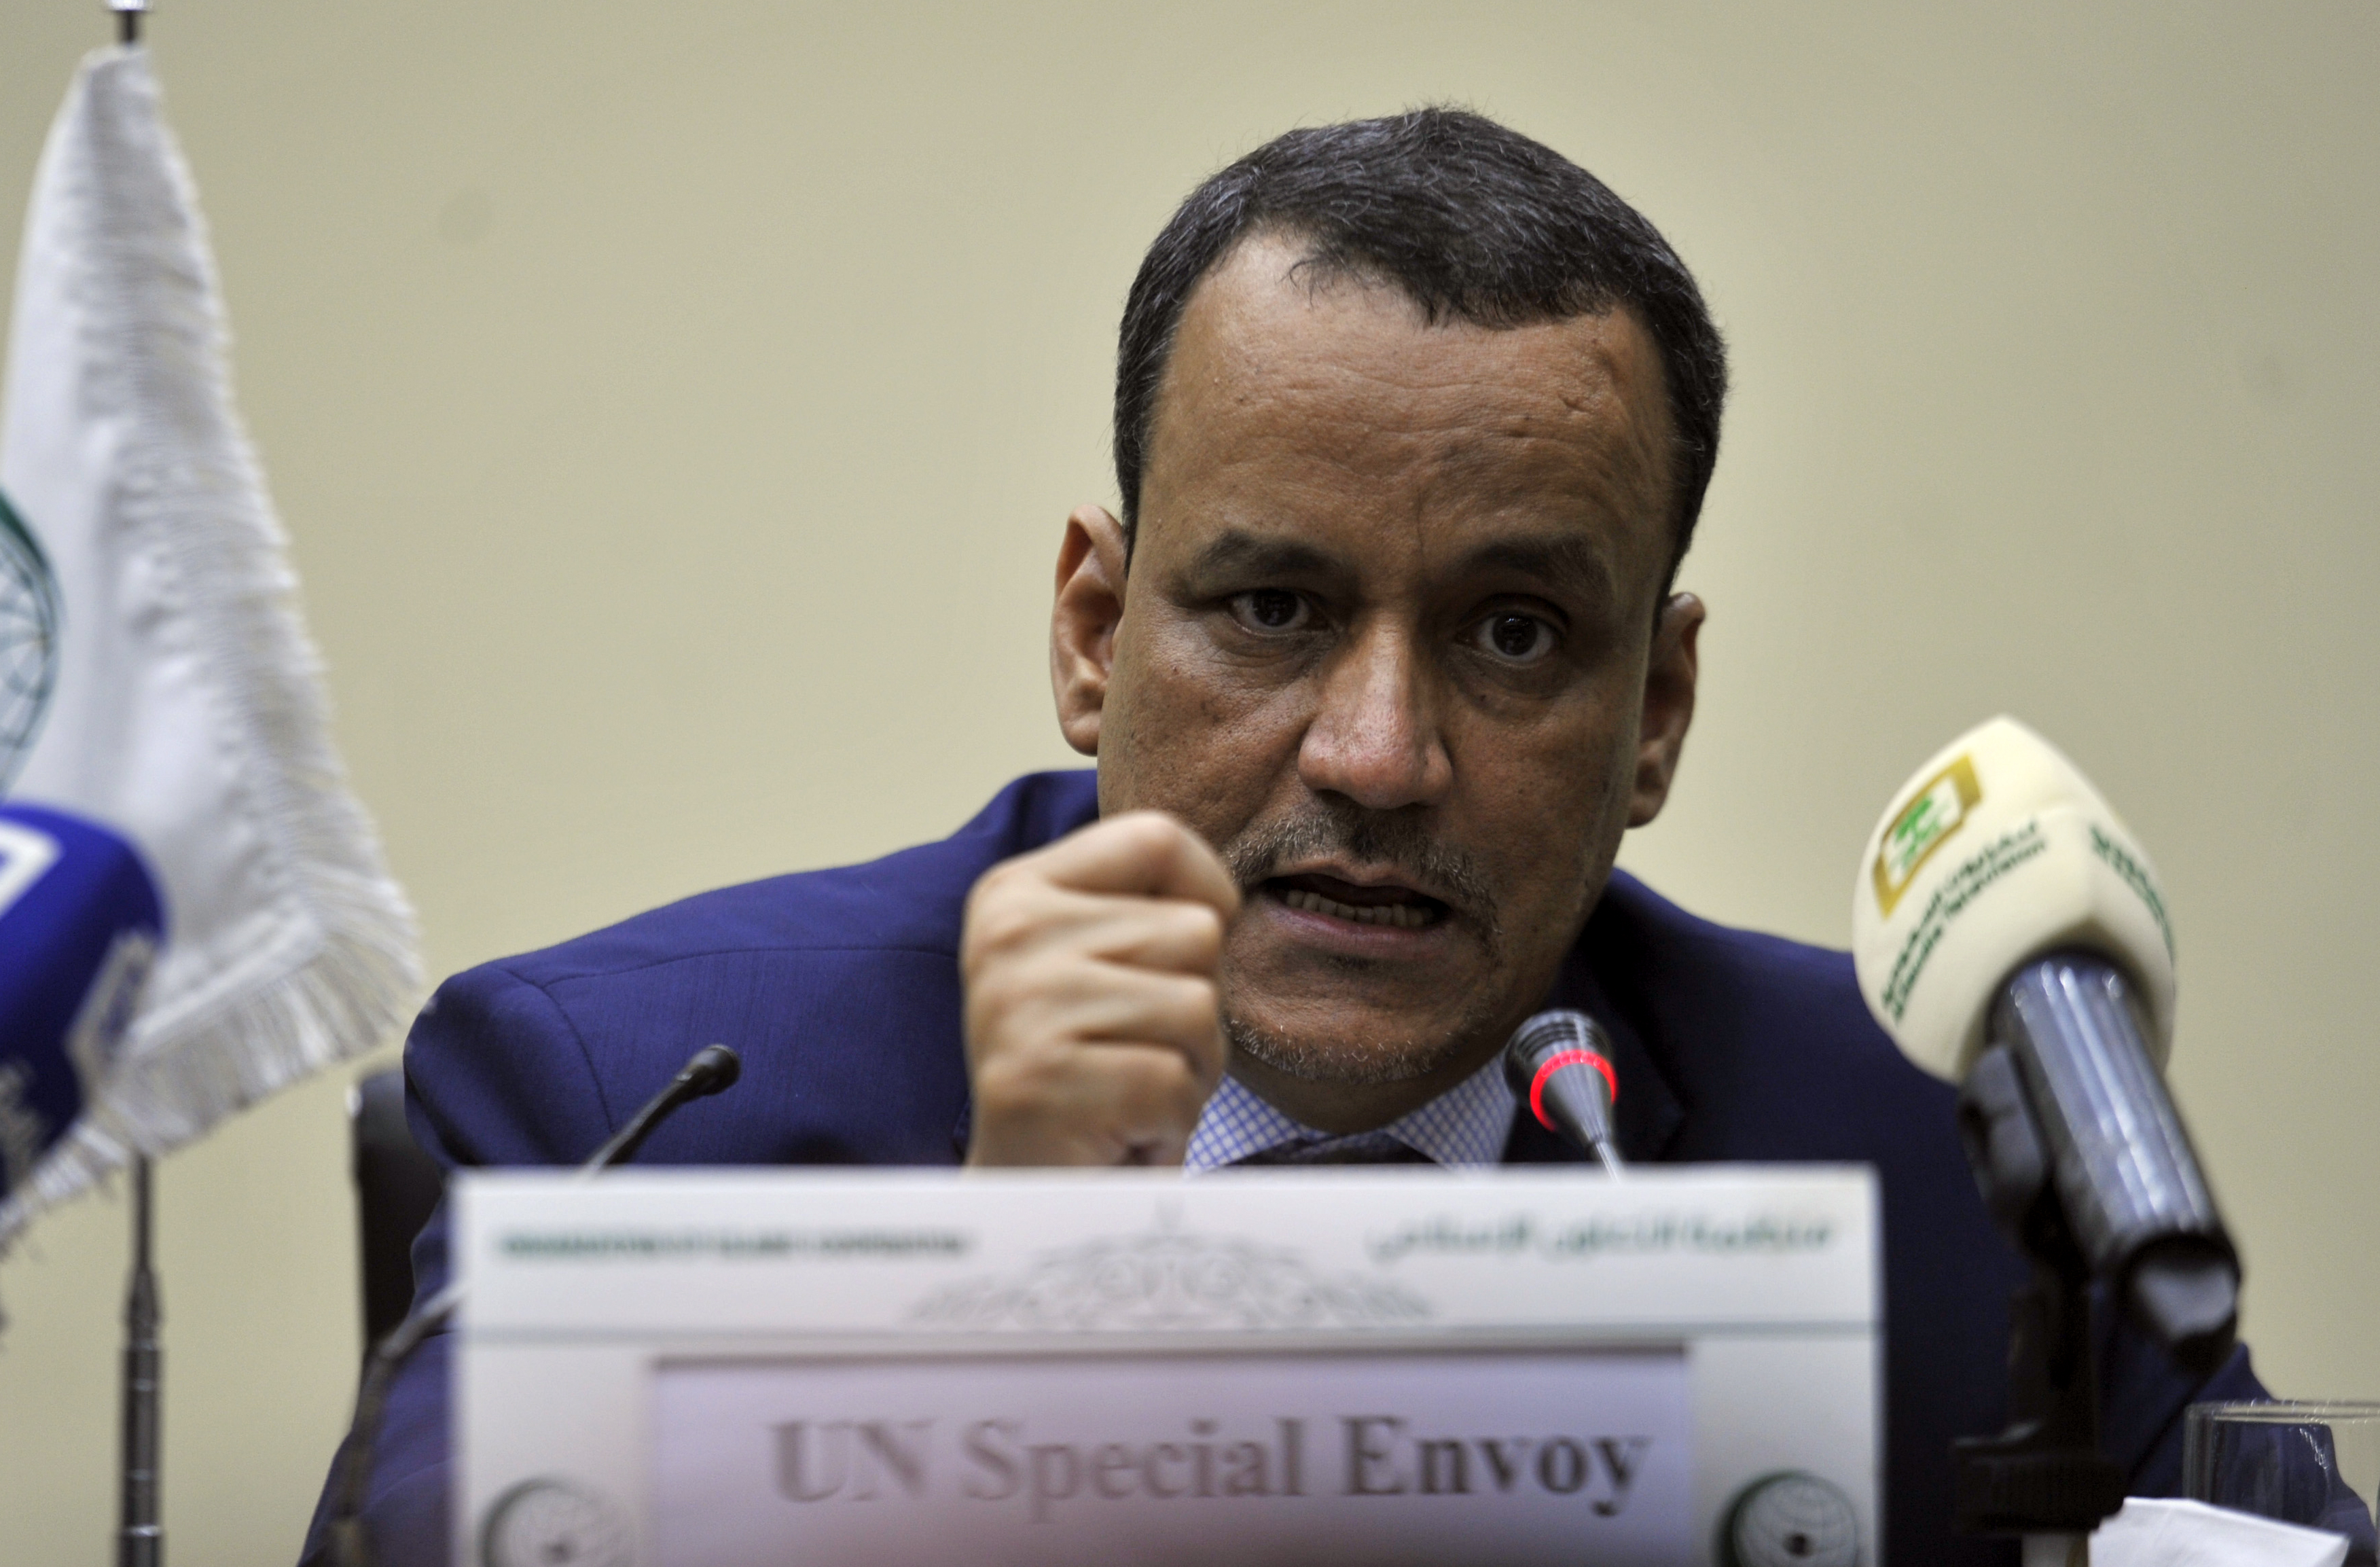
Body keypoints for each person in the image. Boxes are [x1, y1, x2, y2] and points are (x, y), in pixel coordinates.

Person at [300, 108, 2259, 1566]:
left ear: (1656, 710)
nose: (1379, 754)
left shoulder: (1934, 1159)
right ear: (1095, 635)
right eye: (1271, 607)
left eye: (1515, 634)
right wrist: (970, 1314)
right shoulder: (630, 1108)